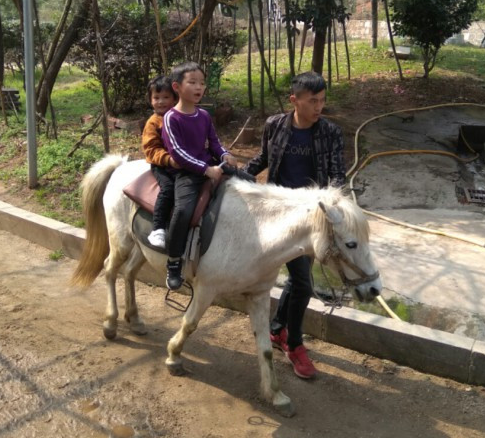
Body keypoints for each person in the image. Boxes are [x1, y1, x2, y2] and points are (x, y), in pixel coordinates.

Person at [243, 71, 345, 379]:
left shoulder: (330, 132)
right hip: (276, 215)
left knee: (300, 281)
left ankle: (289, 339)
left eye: (322, 100)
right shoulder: (275, 125)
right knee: (299, 281)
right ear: (294, 101)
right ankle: (282, 335)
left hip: (308, 220)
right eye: (313, 101)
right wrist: (236, 175)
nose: (319, 107)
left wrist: (337, 210)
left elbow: (338, 178)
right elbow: (263, 158)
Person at [161, 61, 237, 290]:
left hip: (210, 166)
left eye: (202, 83)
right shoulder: (171, 118)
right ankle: (174, 261)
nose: (199, 87)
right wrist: (205, 169)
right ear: (177, 87)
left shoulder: (203, 115)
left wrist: (224, 155)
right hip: (187, 173)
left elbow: (214, 142)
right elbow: (178, 152)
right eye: (192, 82)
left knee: (247, 183)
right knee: (183, 210)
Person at [141, 76, 179, 249]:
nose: (161, 101)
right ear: (150, 100)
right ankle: (158, 228)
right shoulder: (153, 123)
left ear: (174, 98)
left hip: (182, 163)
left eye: (165, 97)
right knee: (168, 189)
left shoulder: (179, 117)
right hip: (162, 165)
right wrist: (168, 159)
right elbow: (151, 149)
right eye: (156, 98)